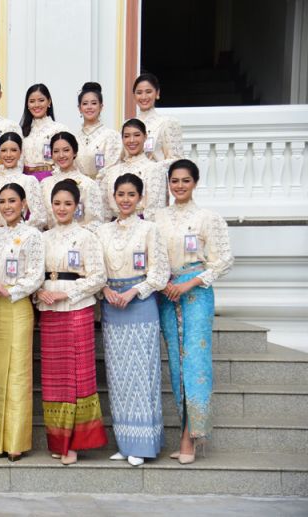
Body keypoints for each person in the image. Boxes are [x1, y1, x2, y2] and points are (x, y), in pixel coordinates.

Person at [156, 159, 234, 465]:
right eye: (174, 181)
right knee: (177, 364)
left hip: (196, 292)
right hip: (167, 293)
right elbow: (153, 256)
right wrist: (163, 283)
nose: (179, 186)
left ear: (195, 183)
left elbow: (223, 260)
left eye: (185, 180)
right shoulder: (158, 217)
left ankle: (192, 435)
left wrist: (189, 284)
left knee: (195, 362)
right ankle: (184, 432)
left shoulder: (207, 218)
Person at [97, 173, 169, 467]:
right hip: (112, 304)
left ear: (140, 198)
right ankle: (125, 442)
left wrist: (133, 292)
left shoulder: (150, 229)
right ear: (113, 197)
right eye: (121, 194)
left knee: (142, 374)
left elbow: (160, 273)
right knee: (118, 376)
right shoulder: (102, 231)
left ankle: (144, 444)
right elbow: (96, 270)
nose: (125, 200)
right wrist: (104, 290)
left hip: (140, 304)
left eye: (131, 194)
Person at [35, 179, 108, 465]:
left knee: (77, 375)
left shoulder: (87, 237)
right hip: (49, 309)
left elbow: (98, 277)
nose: (62, 208)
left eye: (68, 203)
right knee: (54, 377)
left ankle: (76, 443)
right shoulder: (43, 238)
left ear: (77, 206)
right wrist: (38, 291)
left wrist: (68, 293)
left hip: (77, 307)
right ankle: (59, 440)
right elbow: (34, 273)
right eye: (57, 203)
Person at [0, 183, 44, 461]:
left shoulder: (32, 235)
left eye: (12, 201)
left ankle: (16, 441)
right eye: (3, 201)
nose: (7, 206)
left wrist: (12, 289)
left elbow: (36, 275)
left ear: (23, 204)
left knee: (18, 373)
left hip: (17, 305)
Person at [99, 119, 167, 220]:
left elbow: (155, 211)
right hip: (113, 226)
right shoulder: (111, 172)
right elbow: (104, 210)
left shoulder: (154, 169)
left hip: (143, 226)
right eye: (126, 136)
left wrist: (136, 226)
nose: (131, 140)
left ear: (145, 137)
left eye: (136, 135)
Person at [40, 132, 105, 233]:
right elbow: (41, 220)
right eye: (56, 151)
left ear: (74, 152)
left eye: (66, 150)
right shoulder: (45, 184)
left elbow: (95, 223)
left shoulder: (88, 184)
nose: (61, 155)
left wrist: (73, 236)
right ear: (51, 154)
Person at [0, 132, 46, 230]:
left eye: (13, 150)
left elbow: (40, 217)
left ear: (20, 152)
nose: (8, 155)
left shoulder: (29, 181)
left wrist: (20, 231)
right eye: (4, 150)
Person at [19, 83, 70, 181]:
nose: (36, 105)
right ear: (27, 105)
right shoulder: (21, 131)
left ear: (49, 102)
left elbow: (67, 159)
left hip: (51, 179)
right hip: (26, 180)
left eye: (41, 100)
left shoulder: (59, 129)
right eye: (32, 101)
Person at [133, 73, 184, 166]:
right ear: (134, 96)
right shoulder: (128, 125)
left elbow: (177, 161)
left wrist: (152, 169)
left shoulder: (167, 123)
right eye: (139, 93)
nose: (144, 97)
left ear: (157, 93)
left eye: (148, 92)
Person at [74, 82, 122, 178]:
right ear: (79, 108)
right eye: (85, 104)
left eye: (94, 103)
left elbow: (112, 170)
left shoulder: (111, 136)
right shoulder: (74, 138)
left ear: (101, 107)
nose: (89, 107)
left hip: (102, 185)